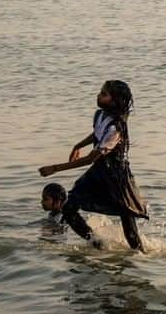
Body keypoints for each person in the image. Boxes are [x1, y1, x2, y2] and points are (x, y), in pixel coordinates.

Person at [38, 80, 149, 252]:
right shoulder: (100, 115)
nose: (98, 95)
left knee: (129, 226)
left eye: (104, 94)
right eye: (100, 92)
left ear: (114, 101)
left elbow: (91, 158)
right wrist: (78, 145)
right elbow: (97, 133)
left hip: (117, 177)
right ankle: (97, 243)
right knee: (68, 208)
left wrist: (55, 168)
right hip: (99, 171)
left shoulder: (116, 128)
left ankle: (141, 257)